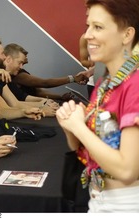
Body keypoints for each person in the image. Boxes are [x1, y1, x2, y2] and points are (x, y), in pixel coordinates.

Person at [56, 0, 139, 213]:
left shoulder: (135, 84)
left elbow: (127, 169)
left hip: (127, 205)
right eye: (88, 26)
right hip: (100, 200)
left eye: (98, 27)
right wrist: (70, 126)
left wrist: (78, 128)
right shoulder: (105, 84)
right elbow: (84, 150)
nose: (87, 35)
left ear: (127, 35)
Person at [0, 38, 59, 117]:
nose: (5, 57)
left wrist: (43, 105)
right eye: (2, 54)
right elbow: (0, 112)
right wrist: (41, 109)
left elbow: (14, 103)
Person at [3, 43, 89, 103]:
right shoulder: (18, 76)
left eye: (23, 63)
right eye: (20, 62)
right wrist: (72, 78)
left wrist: (60, 97)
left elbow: (38, 92)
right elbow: (45, 83)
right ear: (8, 59)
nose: (21, 66)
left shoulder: (17, 74)